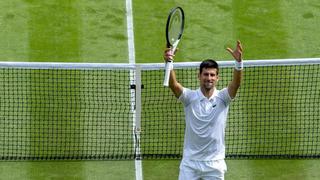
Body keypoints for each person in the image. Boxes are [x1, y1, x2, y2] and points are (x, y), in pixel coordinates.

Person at [163, 41, 243, 180]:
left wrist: (238, 63)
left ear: (217, 78)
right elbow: (173, 85)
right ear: (199, 76)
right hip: (190, 163)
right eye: (206, 74)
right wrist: (168, 63)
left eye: (212, 75)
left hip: (215, 163)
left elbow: (235, 85)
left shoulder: (223, 98)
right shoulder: (189, 97)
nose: (209, 78)